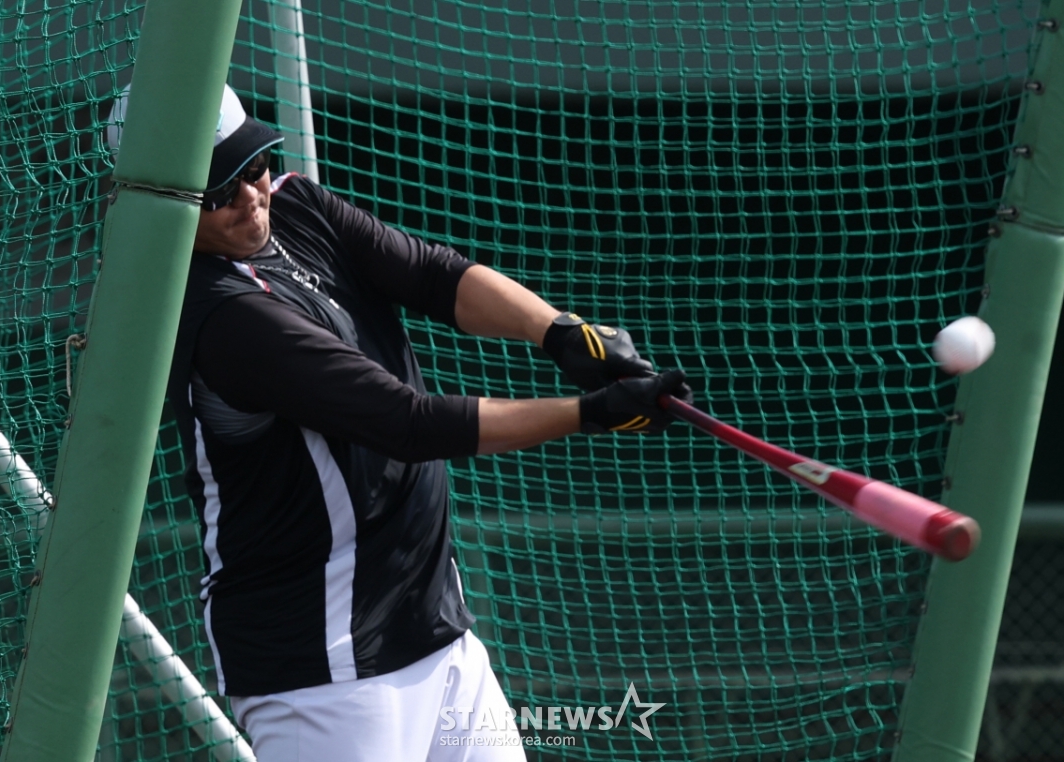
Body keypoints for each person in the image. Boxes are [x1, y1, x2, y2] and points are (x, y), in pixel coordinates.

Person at [108, 84, 690, 760]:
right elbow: (404, 422)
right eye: (219, 192)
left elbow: (431, 276)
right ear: (167, 208)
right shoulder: (216, 313)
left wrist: (560, 333)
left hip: (434, 630)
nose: (251, 196)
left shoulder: (299, 207)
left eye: (254, 167)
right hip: (322, 671)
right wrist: (591, 414)